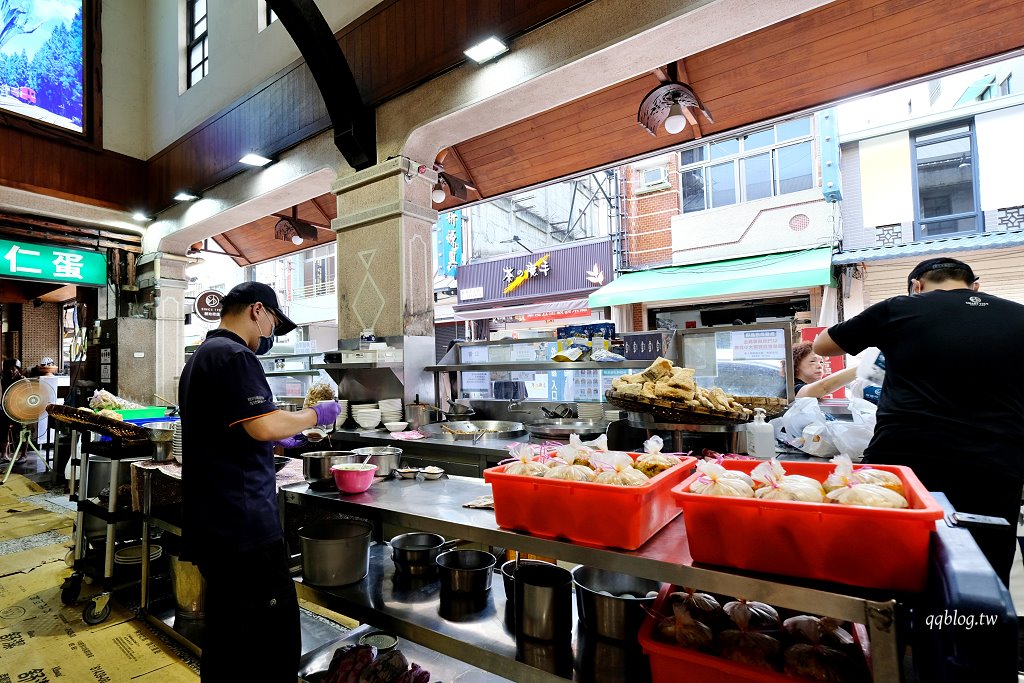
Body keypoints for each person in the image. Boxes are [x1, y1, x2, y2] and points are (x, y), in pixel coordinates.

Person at [813, 257, 1024, 585]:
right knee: (982, 573)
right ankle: (971, 628)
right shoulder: (1019, 316)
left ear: (917, 286)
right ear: (975, 286)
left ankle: (895, 629)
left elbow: (821, 344)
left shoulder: (900, 308)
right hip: (995, 464)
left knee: (889, 560)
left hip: (906, 458)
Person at [178, 281, 341, 681]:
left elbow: (240, 427)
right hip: (243, 525)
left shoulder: (201, 356)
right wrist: (315, 415)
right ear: (257, 311)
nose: (270, 334)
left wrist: (281, 433)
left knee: (228, 637)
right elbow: (264, 424)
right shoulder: (235, 356)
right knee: (271, 642)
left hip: (212, 521)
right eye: (272, 323)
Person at [788, 341, 858, 399]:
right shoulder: (791, 389)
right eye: (813, 361)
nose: (819, 366)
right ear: (795, 364)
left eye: (821, 362)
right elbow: (824, 387)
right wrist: (860, 369)